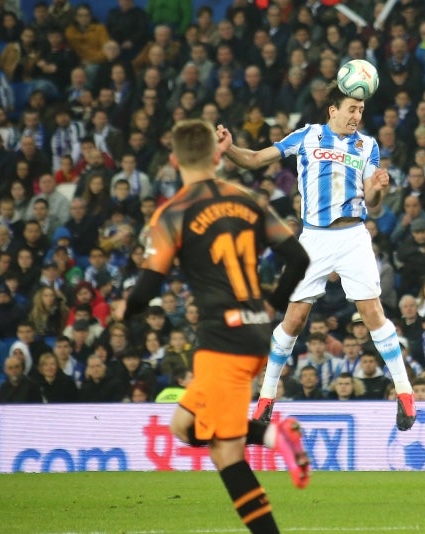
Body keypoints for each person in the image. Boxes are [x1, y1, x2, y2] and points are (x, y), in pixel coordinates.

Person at [116, 119, 311, 534]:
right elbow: (298, 259)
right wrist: (272, 305)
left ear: (172, 160)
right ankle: (273, 436)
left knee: (227, 453)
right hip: (256, 331)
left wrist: (123, 311)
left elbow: (148, 285)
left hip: (222, 341)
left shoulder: (174, 212)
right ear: (216, 155)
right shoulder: (246, 198)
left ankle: (276, 437)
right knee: (182, 427)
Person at [217, 83, 418, 431]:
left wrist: (376, 187)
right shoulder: (307, 136)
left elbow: (374, 205)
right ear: (333, 111)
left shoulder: (367, 145)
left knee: (372, 313)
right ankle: (266, 398)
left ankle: (405, 394)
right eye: (351, 109)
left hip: (354, 236)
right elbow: (254, 159)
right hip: (314, 239)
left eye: (360, 110)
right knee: (294, 319)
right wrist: (228, 148)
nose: (357, 116)